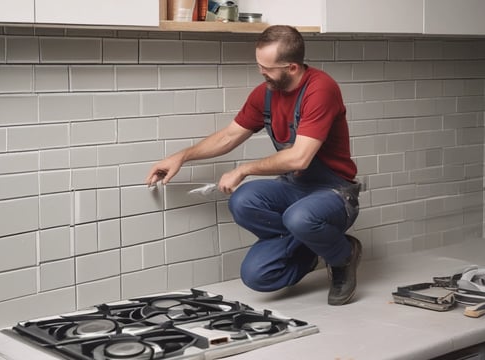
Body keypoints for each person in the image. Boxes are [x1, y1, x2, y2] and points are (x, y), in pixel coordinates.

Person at [146, 25, 361, 306]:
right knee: (249, 234)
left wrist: (244, 169)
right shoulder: (267, 93)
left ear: (293, 67)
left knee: (299, 217)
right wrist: (182, 156)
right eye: (259, 64)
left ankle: (343, 254)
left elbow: (299, 158)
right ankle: (309, 248)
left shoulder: (320, 89)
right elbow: (230, 135)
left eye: (267, 67)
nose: (261, 72)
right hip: (295, 187)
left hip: (332, 192)